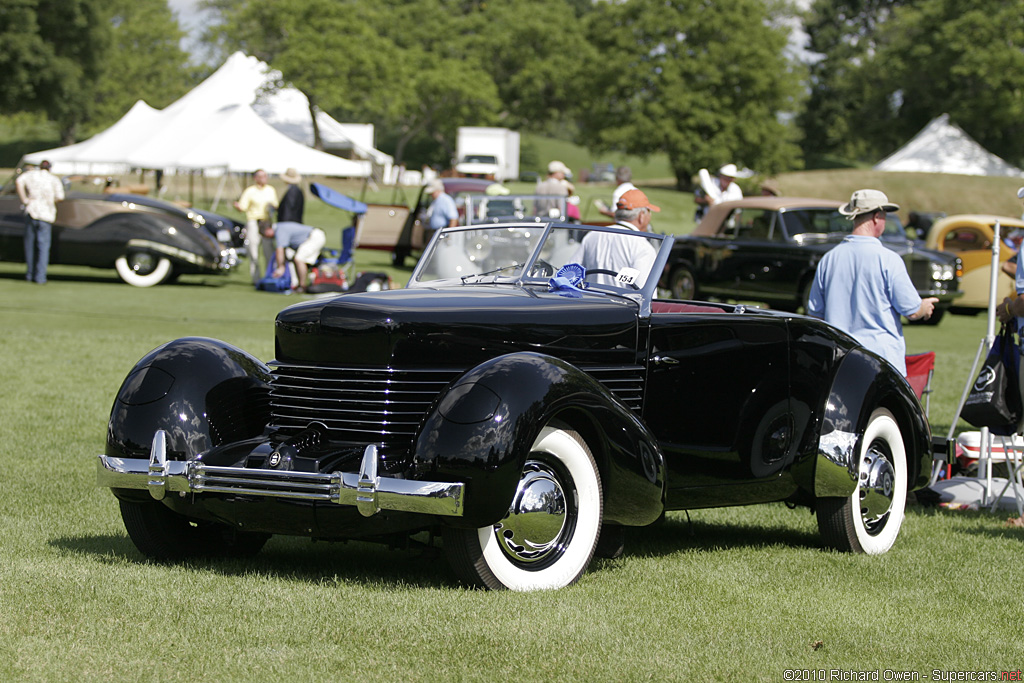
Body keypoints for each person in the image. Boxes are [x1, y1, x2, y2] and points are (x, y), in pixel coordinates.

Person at [806, 189, 937, 376]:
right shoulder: (888, 259)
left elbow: (816, 314)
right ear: (877, 217)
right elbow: (912, 311)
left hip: (839, 360)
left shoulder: (829, 259)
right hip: (881, 361)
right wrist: (925, 307)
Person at [570, 188, 659, 288]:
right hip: (623, 303)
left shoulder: (592, 235)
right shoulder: (643, 247)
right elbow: (644, 293)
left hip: (591, 301)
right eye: (649, 212)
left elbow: (570, 273)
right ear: (641, 216)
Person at [15, 160, 64, 284]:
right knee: (43, 247)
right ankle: (40, 277)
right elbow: (60, 197)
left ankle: (30, 274)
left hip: (31, 210)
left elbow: (18, 181)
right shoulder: (53, 179)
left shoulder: (31, 175)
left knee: (30, 245)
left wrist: (25, 199)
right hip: (46, 214)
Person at [234, 169, 279, 285]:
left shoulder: (270, 190)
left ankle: (270, 276)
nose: (264, 178)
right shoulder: (250, 191)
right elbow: (243, 207)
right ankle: (256, 278)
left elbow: (275, 204)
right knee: (253, 250)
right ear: (256, 178)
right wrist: (238, 206)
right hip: (254, 221)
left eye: (265, 176)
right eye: (261, 176)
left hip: (267, 221)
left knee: (268, 250)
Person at [264, 221, 326, 293]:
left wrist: (281, 267)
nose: (266, 237)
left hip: (315, 236)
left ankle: (302, 286)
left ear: (268, 229)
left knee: (299, 259)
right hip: (312, 237)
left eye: (264, 234)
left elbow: (280, 250)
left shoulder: (279, 230)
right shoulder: (280, 228)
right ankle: (298, 284)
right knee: (296, 258)